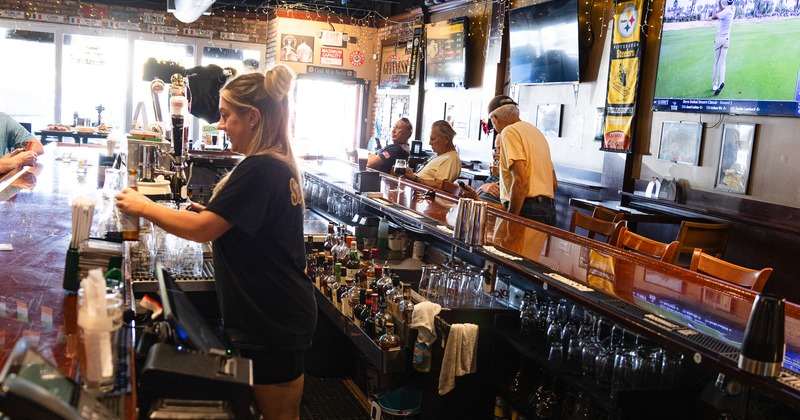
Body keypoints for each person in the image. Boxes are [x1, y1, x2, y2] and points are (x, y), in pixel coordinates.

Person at [116, 65, 316, 420]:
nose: (219, 125)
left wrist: (144, 207)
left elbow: (202, 230)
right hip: (277, 313)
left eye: (226, 116)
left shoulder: (260, 168)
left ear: (252, 117)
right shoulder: (276, 163)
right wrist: (208, 214)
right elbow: (234, 224)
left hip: (270, 320)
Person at [460, 95, 558, 226]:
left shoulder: (509, 132)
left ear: (495, 119)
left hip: (527, 210)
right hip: (548, 211)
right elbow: (554, 184)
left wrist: (510, 219)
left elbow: (521, 181)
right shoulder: (537, 133)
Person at [402, 120, 461, 188]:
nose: (430, 143)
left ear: (446, 139)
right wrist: (411, 174)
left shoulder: (452, 159)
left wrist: (415, 178)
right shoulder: (439, 155)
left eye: (433, 139)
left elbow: (440, 185)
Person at [712, 0, 735, 96]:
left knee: (716, 62)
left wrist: (715, 6)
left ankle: (714, 85)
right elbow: (723, 9)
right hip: (726, 39)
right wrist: (720, 2)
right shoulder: (732, 9)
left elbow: (714, 17)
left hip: (719, 38)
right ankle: (722, 82)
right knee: (723, 62)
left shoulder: (725, 12)